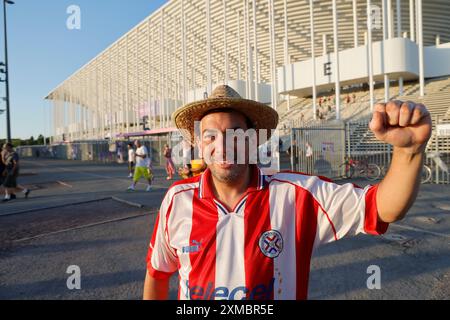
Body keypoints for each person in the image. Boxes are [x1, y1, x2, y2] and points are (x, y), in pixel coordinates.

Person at [143, 85, 431, 300]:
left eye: (234, 134)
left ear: (252, 139)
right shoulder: (177, 200)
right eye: (210, 136)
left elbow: (382, 208)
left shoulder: (296, 195)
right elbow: (157, 275)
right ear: (199, 143)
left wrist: (409, 151)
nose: (223, 145)